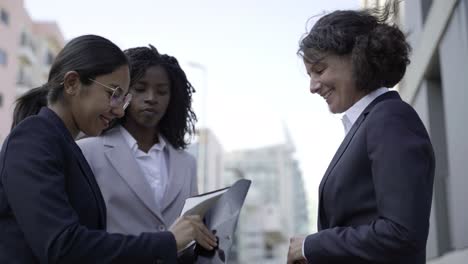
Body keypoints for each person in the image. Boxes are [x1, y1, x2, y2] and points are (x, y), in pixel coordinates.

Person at [0, 35, 216, 264]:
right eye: (113, 94)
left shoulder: (65, 146)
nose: (120, 111)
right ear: (72, 83)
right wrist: (168, 242)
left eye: (123, 99)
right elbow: (61, 245)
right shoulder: (33, 137)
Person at [287, 2, 435, 264]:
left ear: (358, 58)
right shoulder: (368, 123)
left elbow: (402, 235)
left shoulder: (390, 119)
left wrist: (311, 246)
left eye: (319, 71)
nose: (312, 86)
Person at [77, 45, 198, 235]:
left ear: (172, 98)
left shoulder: (187, 163)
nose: (151, 98)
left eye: (162, 91)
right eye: (140, 89)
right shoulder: (87, 151)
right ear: (122, 92)